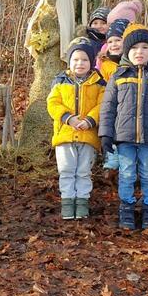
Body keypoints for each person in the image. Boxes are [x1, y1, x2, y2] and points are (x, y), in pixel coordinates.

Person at [99, 24, 148, 230]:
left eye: (144, 48)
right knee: (127, 173)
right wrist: (105, 134)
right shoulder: (119, 76)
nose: (139, 52)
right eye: (134, 48)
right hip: (124, 137)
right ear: (127, 52)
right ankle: (127, 207)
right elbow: (108, 108)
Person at [47, 40, 106, 219]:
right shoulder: (60, 82)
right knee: (66, 170)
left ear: (91, 62)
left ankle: (82, 202)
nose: (79, 63)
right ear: (69, 62)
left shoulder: (99, 83)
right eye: (75, 60)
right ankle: (67, 202)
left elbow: (102, 105)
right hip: (65, 134)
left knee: (83, 171)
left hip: (87, 135)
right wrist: (67, 117)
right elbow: (52, 103)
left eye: (84, 60)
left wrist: (90, 120)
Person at [96, 18, 130, 179]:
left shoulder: (132, 61)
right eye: (110, 41)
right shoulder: (105, 63)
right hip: (110, 103)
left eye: (118, 40)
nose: (114, 44)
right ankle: (110, 160)